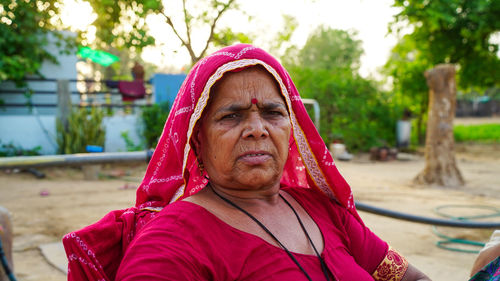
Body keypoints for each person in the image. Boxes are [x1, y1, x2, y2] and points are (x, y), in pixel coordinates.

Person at [63, 44, 430, 281]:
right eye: (232, 116)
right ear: (198, 140)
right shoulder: (171, 242)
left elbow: (410, 279)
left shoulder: (323, 211)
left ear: (293, 129)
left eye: (273, 112)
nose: (258, 129)